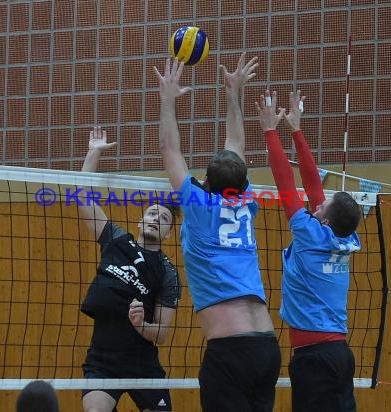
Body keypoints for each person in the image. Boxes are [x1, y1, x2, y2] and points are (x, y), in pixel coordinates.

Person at [154, 53, 281, 412]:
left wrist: (167, 100)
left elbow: (169, 149)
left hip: (231, 352)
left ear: (206, 183)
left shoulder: (198, 206)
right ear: (241, 184)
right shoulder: (245, 202)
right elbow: (236, 146)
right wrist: (233, 93)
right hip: (266, 347)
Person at [255, 89, 362, 412]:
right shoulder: (345, 239)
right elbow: (314, 184)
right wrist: (297, 130)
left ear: (325, 220)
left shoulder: (309, 234)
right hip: (338, 354)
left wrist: (270, 131)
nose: (316, 204)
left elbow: (286, 183)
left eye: (321, 207)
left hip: (315, 357)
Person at [78, 127, 182, 412]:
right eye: (151, 213)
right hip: (103, 359)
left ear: (169, 234)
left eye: (163, 218)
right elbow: (83, 197)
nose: (155, 219)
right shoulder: (116, 240)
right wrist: (93, 153)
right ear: (140, 221)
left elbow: (161, 333)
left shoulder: (167, 271)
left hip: (142, 362)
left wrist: (142, 325)